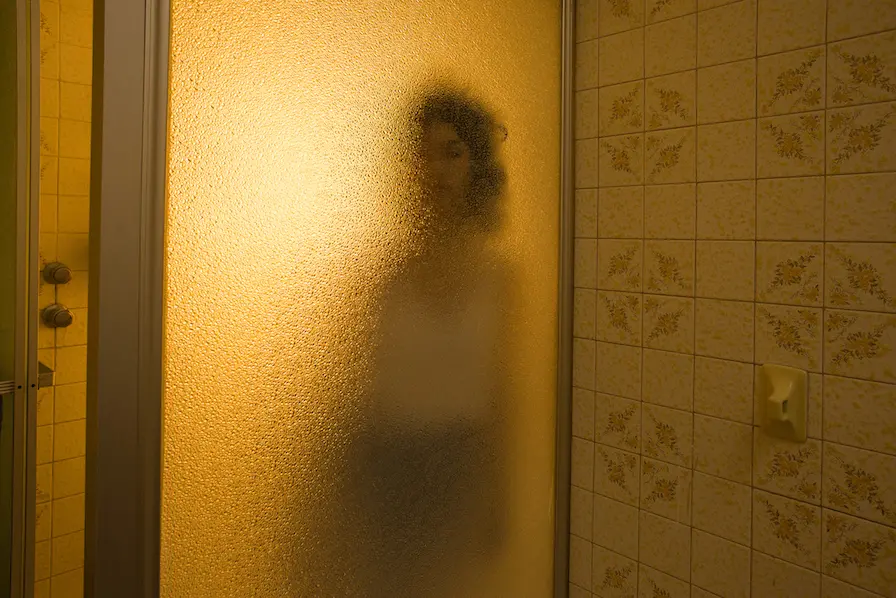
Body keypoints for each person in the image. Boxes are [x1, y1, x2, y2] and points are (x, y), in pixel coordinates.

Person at [354, 86, 511, 596]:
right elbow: (361, 388)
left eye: (453, 152)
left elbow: (504, 395)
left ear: (476, 165)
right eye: (424, 154)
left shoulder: (498, 277)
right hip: (385, 469)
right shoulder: (388, 275)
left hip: (461, 472)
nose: (437, 169)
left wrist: (499, 496)